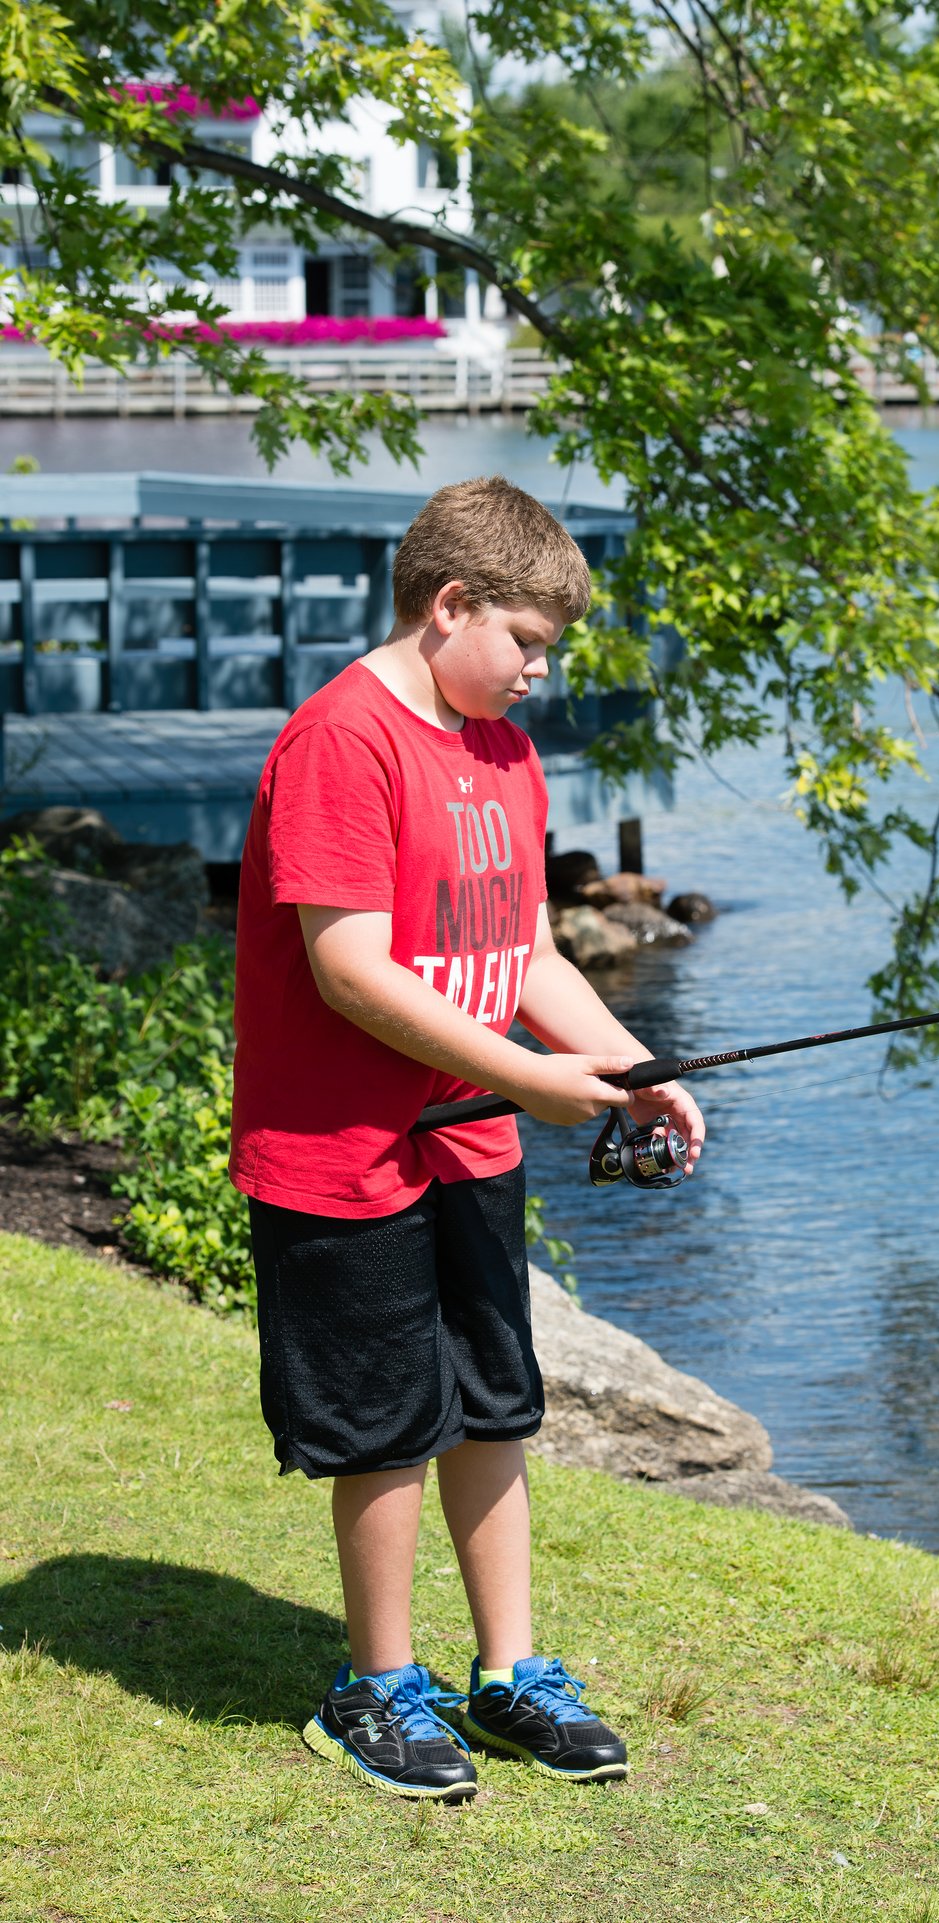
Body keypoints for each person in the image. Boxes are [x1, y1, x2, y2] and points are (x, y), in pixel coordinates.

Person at [229, 475, 704, 1803]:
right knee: (382, 1426)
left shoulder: (500, 746)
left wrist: (621, 1060)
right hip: (344, 1153)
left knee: (494, 1404)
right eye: (529, 645)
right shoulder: (345, 743)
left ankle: (509, 1676)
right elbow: (353, 973)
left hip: (468, 1143)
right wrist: (532, 1079)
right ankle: (376, 1691)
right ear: (452, 607)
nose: (538, 676)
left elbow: (526, 947)